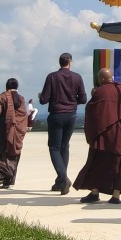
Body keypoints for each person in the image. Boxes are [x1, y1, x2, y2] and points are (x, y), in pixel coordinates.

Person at [74, 68, 121, 205]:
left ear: (102, 79)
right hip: (120, 134)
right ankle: (116, 195)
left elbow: (92, 112)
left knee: (97, 162)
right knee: (117, 164)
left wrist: (93, 96)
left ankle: (95, 192)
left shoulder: (100, 91)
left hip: (102, 135)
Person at [39, 52, 88, 195]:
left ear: (59, 62)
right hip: (71, 115)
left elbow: (44, 99)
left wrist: (42, 97)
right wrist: (72, 102)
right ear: (70, 62)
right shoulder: (77, 77)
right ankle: (61, 181)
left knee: (54, 147)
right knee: (65, 146)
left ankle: (63, 178)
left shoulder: (52, 77)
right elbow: (83, 99)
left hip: (56, 114)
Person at [0, 78, 28, 188]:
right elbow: (23, 115)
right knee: (13, 153)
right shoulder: (21, 98)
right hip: (17, 130)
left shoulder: (2, 97)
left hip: (2, 129)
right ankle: (9, 180)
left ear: (6, 86)